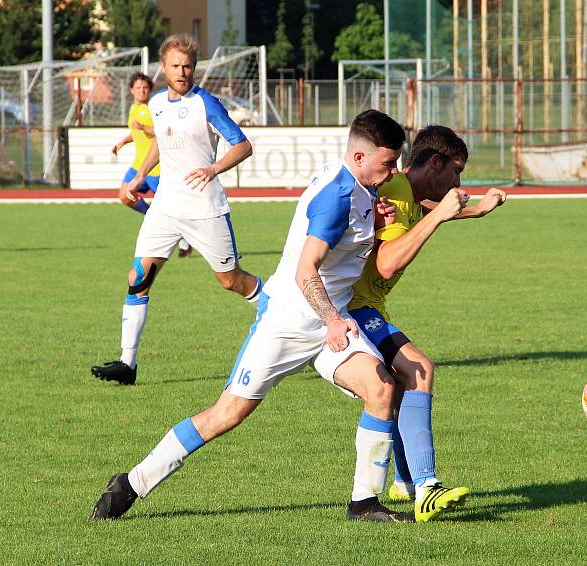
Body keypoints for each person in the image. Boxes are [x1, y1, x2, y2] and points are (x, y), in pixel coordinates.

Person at [89, 109, 411, 523]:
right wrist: (332, 318)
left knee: (382, 388)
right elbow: (305, 269)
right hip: (289, 323)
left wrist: (376, 222)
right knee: (227, 414)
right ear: (360, 158)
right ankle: (132, 482)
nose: (394, 172)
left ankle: (364, 503)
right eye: (388, 163)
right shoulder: (337, 196)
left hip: (329, 323)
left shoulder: (359, 185)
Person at [348, 125, 507, 522]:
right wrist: (443, 216)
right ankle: (426, 487)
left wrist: (474, 210)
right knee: (418, 368)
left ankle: (405, 480)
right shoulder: (398, 194)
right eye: (456, 172)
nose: (458, 182)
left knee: (402, 387)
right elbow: (386, 264)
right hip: (351, 309)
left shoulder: (410, 194)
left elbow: (432, 210)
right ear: (434, 162)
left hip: (364, 307)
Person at [90, 33, 262, 386]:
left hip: (204, 207)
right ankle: (127, 364)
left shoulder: (206, 104)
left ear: (194, 68)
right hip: (165, 208)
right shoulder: (156, 103)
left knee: (230, 281)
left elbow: (242, 145)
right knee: (138, 278)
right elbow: (160, 142)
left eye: (188, 66)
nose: (182, 72)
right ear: (163, 68)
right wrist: (139, 175)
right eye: (175, 66)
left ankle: (284, 313)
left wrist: (213, 169)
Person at [111, 72, 193, 258]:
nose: (142, 90)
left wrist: (143, 127)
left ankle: (184, 238)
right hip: (138, 165)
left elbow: (162, 131)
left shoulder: (154, 108)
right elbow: (136, 131)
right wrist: (122, 142)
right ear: (132, 90)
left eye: (145, 87)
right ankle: (153, 216)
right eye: (138, 87)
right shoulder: (134, 108)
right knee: (124, 196)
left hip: (155, 167)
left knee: (171, 206)